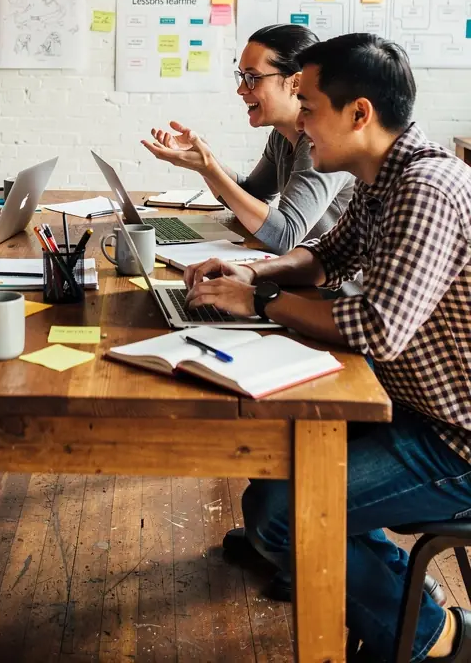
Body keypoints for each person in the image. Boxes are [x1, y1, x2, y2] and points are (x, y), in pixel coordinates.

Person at [184, 33, 471, 662]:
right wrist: (253, 277)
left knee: (282, 514)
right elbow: (324, 256)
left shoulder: (425, 187)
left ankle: (434, 636)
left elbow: (377, 327)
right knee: (272, 468)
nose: (301, 123)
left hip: (455, 439)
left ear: (359, 113)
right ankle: (393, 594)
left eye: (308, 106)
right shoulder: (380, 177)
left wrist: (257, 305)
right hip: (409, 406)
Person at [142, 23, 354, 254]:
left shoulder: (322, 142)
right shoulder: (281, 137)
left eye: (253, 77)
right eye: (242, 77)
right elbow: (252, 195)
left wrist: (210, 167)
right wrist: (204, 162)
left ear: (296, 82)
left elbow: (285, 236)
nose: (241, 89)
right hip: (302, 275)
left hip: (330, 288)